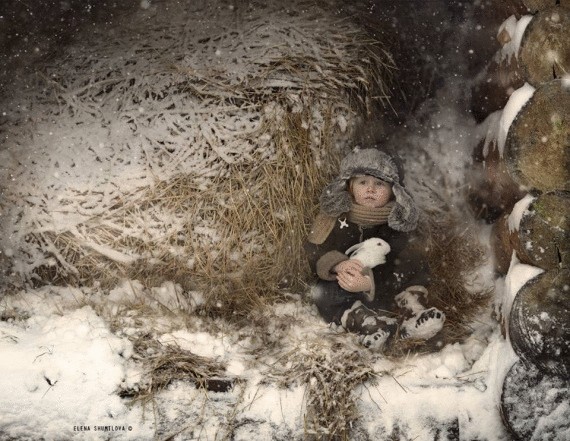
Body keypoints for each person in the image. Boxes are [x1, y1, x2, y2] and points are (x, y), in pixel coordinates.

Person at [304, 148, 445, 350]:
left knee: (413, 263)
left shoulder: (395, 224)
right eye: (363, 183)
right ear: (350, 187)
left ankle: (412, 312)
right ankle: (365, 323)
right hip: (346, 284)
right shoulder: (337, 218)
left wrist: (369, 282)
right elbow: (316, 250)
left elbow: (397, 259)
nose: (370, 189)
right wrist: (338, 265)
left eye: (379, 184)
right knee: (323, 292)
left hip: (384, 287)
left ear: (393, 191)